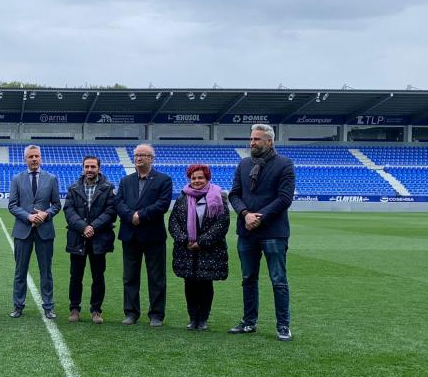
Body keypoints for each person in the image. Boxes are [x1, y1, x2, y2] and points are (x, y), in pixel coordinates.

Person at [228, 124, 295, 341]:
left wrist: (259, 217)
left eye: (257, 139)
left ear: (270, 141)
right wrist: (246, 214)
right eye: (251, 138)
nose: (252, 142)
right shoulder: (244, 164)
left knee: (278, 280)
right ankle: (249, 322)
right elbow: (234, 194)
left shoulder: (284, 164)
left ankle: (283, 325)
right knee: (248, 278)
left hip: (274, 231)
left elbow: (284, 198)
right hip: (247, 231)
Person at [115, 143, 172, 327]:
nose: (139, 158)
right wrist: (130, 215)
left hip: (153, 235)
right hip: (130, 234)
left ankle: (156, 314)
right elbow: (119, 203)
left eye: (143, 155)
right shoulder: (126, 181)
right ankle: (131, 313)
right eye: (137, 155)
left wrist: (141, 214)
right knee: (130, 276)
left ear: (151, 159)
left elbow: (162, 204)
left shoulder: (163, 180)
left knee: (156, 277)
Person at [168, 164, 230, 331]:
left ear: (207, 178)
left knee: (205, 283)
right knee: (189, 283)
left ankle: (203, 318)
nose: (196, 180)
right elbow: (173, 222)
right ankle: (192, 318)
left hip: (209, 250)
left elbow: (222, 224)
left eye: (200, 177)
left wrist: (201, 242)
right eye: (193, 178)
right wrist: (184, 239)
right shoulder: (182, 198)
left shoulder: (219, 197)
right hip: (185, 250)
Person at [7, 145, 61, 319]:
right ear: (25, 159)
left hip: (45, 231)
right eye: (31, 156)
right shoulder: (17, 179)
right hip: (23, 231)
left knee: (46, 271)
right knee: (20, 271)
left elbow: (57, 205)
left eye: (37, 156)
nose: (34, 159)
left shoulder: (51, 178)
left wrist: (46, 214)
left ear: (41, 158)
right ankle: (18, 306)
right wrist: (28, 217)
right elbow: (12, 205)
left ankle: (48, 306)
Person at [62, 155, 116, 324]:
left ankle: (96, 310)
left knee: (98, 276)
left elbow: (111, 211)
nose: (90, 169)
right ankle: (74, 309)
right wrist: (83, 227)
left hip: (99, 238)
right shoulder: (73, 188)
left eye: (93, 166)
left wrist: (93, 227)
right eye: (87, 166)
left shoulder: (108, 188)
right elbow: (69, 211)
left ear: (99, 168)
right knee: (75, 276)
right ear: (83, 168)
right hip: (78, 238)